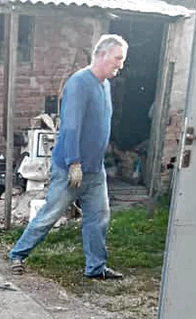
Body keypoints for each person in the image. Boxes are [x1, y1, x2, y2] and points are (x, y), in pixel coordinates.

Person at [9, 34, 128, 280]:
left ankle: (96, 268)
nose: (121, 64)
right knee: (50, 214)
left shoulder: (104, 85)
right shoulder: (79, 83)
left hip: (94, 169)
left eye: (122, 59)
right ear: (102, 55)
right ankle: (17, 254)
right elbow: (71, 127)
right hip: (70, 168)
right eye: (118, 58)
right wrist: (74, 163)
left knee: (98, 217)